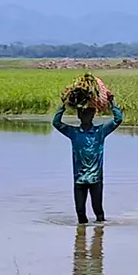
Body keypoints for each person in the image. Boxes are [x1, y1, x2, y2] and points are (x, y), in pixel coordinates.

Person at [53, 95, 123, 224]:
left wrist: (112, 102)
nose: (86, 116)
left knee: (98, 210)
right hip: (79, 179)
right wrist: (63, 106)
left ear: (93, 115)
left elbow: (118, 119)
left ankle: (99, 238)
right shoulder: (73, 133)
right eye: (83, 113)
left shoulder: (100, 131)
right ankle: (81, 239)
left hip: (95, 178)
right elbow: (56, 123)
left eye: (89, 113)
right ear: (79, 115)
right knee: (80, 212)